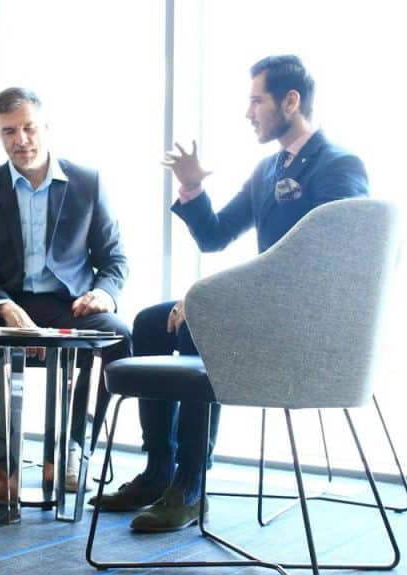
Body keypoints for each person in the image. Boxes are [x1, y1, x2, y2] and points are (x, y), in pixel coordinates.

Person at [93, 54, 369, 532]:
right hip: (264, 308)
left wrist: (210, 297)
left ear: (290, 100)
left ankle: (192, 485)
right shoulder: (267, 170)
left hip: (305, 326)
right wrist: (192, 187)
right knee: (149, 323)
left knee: (202, 320)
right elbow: (215, 236)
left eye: (256, 101)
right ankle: (159, 470)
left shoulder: (339, 164)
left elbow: (329, 262)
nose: (248, 113)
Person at [0, 87, 132, 491]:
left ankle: (73, 446)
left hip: (67, 303)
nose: (21, 140)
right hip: (5, 301)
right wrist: (3, 306)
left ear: (45, 127)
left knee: (117, 334)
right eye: (9, 131)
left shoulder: (87, 182)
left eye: (29, 128)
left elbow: (115, 260)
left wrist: (104, 292)